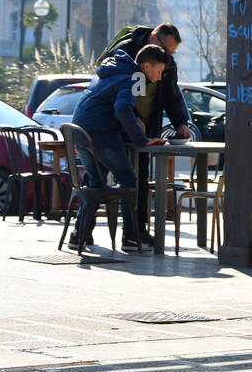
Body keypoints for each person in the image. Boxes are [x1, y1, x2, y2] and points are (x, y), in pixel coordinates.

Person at [70, 44, 170, 251]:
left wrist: (134, 119)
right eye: (158, 71)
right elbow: (122, 109)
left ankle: (79, 234)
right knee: (129, 181)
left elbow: (107, 101)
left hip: (80, 131)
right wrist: (142, 141)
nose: (159, 77)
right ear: (146, 66)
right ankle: (131, 237)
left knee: (96, 183)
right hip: (101, 133)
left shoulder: (112, 70)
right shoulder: (136, 77)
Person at [100, 23, 191, 236]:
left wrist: (180, 122)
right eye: (166, 50)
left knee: (139, 179)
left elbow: (171, 93)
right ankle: (85, 231)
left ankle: (136, 232)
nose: (167, 56)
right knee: (100, 177)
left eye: (171, 52)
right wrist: (135, 117)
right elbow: (118, 95)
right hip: (114, 127)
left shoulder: (166, 62)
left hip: (144, 128)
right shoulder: (125, 53)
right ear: (153, 37)